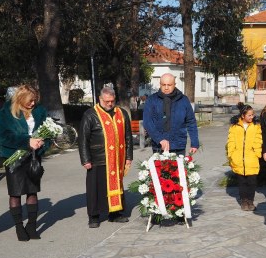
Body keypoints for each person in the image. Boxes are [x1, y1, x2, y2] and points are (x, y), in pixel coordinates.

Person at [0, 84, 51, 241]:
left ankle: (32, 226)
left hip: (33, 157)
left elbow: (47, 133)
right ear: (20, 98)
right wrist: (27, 142)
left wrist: (42, 144)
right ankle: (19, 227)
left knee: (32, 191)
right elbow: (4, 137)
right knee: (15, 193)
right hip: (13, 158)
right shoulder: (5, 113)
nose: (33, 104)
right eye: (30, 100)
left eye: (35, 100)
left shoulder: (40, 111)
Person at [78, 86, 133, 227]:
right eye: (107, 101)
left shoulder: (122, 114)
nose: (110, 104)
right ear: (100, 99)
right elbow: (83, 139)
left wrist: (128, 156)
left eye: (112, 101)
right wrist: (85, 159)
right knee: (95, 189)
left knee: (116, 186)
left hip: (117, 158)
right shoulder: (90, 114)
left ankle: (115, 214)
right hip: (98, 158)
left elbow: (128, 137)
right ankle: (94, 216)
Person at [142, 72, 199, 155]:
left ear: (174, 84)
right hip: (159, 146)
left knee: (180, 168)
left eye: (169, 85)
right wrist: (160, 139)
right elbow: (148, 122)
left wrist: (194, 143)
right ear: (160, 84)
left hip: (178, 147)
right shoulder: (151, 100)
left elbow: (191, 122)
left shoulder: (183, 100)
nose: (166, 88)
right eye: (163, 85)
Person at [226, 104, 263, 211]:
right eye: (249, 115)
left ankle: (250, 201)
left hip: (251, 159)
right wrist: (231, 154)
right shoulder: (235, 127)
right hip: (238, 160)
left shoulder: (256, 126)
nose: (252, 117)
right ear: (243, 115)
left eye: (253, 115)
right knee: (242, 183)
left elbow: (258, 140)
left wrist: (257, 153)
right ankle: (244, 201)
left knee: (252, 182)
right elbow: (231, 141)